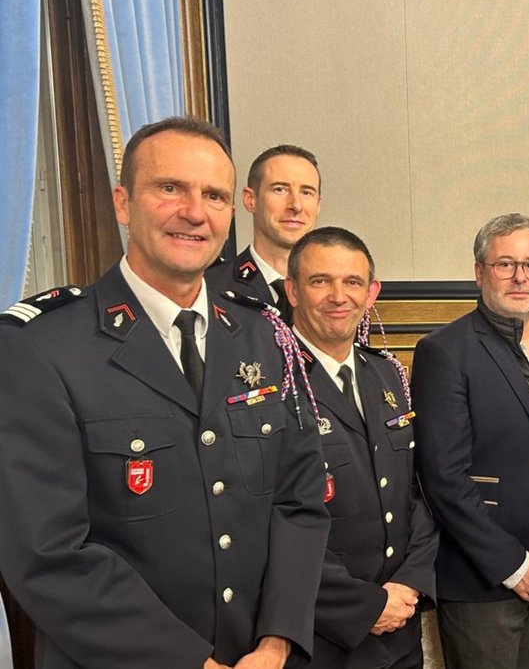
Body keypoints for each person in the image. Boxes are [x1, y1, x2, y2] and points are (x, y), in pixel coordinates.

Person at [0, 117, 329, 668]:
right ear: (123, 202)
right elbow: (47, 554)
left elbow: (300, 500)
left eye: (214, 196)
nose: (195, 212)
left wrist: (278, 641)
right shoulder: (40, 348)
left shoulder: (263, 334)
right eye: (170, 188)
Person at [411, 213, 529, 669]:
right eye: (505, 265)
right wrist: (510, 564)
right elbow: (443, 478)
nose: (520, 277)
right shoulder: (444, 352)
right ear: (480, 272)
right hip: (484, 580)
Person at [284, 227, 439, 668]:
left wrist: (409, 584)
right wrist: (364, 605)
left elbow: (418, 491)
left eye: (352, 282)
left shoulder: (387, 374)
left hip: (399, 630)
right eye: (320, 281)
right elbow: (268, 520)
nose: (339, 296)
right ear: (292, 290)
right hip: (322, 635)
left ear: (371, 293)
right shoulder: (270, 384)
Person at [208, 144, 322, 321]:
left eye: (306, 192)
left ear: (318, 205)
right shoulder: (210, 286)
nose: (296, 206)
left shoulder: (337, 295)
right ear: (250, 199)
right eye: (280, 189)